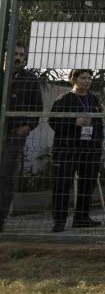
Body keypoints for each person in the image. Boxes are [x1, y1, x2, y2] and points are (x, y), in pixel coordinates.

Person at [48, 69, 104, 232]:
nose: (87, 81)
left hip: (89, 149)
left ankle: (82, 217)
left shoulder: (94, 99)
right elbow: (54, 123)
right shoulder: (63, 100)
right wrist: (74, 122)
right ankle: (59, 220)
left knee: (87, 183)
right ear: (73, 79)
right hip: (67, 149)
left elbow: (99, 123)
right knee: (62, 184)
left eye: (89, 78)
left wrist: (97, 144)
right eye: (83, 78)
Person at [0, 43, 43, 232]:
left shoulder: (30, 80)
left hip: (14, 133)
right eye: (15, 54)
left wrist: (28, 126)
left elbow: (37, 108)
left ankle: (0, 219)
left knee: (5, 177)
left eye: (21, 54)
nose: (18, 57)